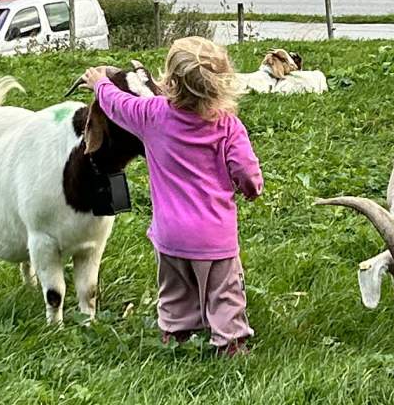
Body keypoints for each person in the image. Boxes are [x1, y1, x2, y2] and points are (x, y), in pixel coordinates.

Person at [86, 37, 263, 356]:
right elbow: (247, 172)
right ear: (221, 84)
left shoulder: (152, 114)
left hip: (170, 235)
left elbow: (117, 104)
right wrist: (251, 190)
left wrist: (100, 84)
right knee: (224, 293)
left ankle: (177, 339)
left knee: (175, 292)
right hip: (215, 237)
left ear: (169, 81)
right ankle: (230, 344)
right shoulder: (228, 127)